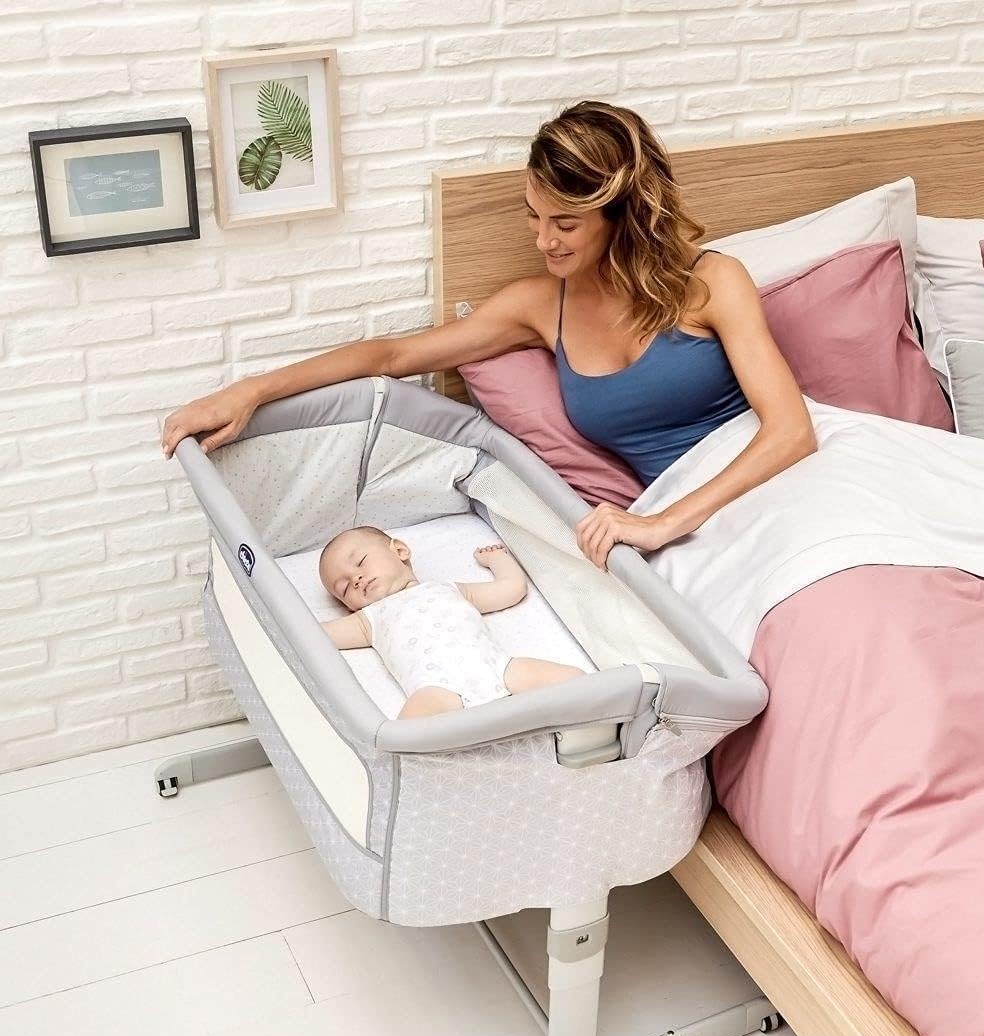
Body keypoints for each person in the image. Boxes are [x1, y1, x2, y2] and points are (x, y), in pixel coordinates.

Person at [162, 100, 817, 571]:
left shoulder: (711, 281)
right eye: (533, 216)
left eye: (565, 224)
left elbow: (792, 432)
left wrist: (662, 523)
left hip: (785, 479)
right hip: (696, 522)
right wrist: (252, 390)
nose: (543, 240)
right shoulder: (539, 306)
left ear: (621, 217)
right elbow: (392, 354)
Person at [318, 527, 583, 719]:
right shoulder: (369, 619)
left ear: (399, 550)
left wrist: (498, 559)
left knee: (578, 684)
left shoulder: (449, 589)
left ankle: (579, 738)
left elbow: (511, 588)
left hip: (498, 668)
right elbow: (314, 636)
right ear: (349, 606)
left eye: (360, 562)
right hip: (436, 690)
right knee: (405, 740)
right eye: (344, 588)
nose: (356, 579)